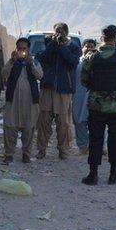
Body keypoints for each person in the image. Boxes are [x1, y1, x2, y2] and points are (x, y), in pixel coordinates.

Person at [80, 25, 116, 185]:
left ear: (101, 38)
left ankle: (93, 174)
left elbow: (84, 80)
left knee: (95, 139)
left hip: (96, 106)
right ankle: (113, 174)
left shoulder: (91, 57)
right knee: (115, 139)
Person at [35, 22, 81, 160]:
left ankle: (63, 150)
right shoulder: (49, 44)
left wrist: (62, 46)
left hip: (64, 90)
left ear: (66, 32)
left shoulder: (73, 47)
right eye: (56, 31)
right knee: (44, 121)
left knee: (63, 123)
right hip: (48, 88)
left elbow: (72, 62)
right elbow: (42, 59)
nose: (58, 33)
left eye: (61, 31)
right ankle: (41, 149)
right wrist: (53, 44)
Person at [1, 37, 43, 164]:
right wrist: (12, 61)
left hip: (30, 102)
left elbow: (40, 76)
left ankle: (26, 154)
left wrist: (31, 64)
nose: (22, 51)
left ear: (29, 49)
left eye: (24, 49)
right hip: (13, 101)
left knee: (29, 128)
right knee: (10, 127)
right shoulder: (12, 62)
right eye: (20, 49)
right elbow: (3, 74)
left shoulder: (34, 62)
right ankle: (9, 154)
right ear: (16, 49)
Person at [74, 39, 97, 155]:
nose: (89, 49)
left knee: (96, 121)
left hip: (93, 96)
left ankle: (99, 146)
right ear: (82, 48)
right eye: (87, 46)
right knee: (79, 121)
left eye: (92, 47)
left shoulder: (98, 63)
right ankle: (83, 146)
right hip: (78, 96)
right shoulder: (76, 63)